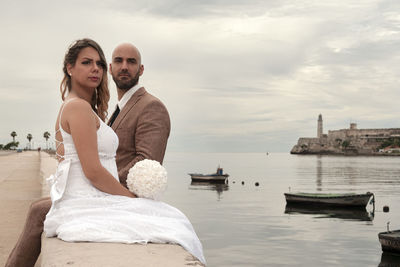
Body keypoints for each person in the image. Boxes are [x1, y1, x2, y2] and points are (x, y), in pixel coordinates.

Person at [5, 39, 205, 266]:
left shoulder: (150, 107)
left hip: (106, 192)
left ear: (140, 70)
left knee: (39, 210)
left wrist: (119, 194)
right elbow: (91, 167)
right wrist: (112, 192)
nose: (124, 67)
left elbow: (147, 162)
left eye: (131, 62)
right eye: (117, 61)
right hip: (98, 192)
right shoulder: (87, 107)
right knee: (39, 210)